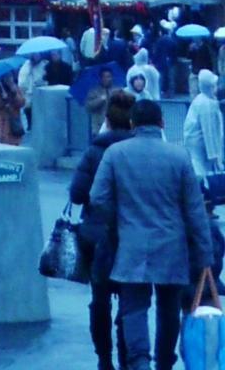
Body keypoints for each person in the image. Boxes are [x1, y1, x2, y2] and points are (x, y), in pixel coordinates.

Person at [90, 97, 213, 370]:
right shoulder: (179, 156)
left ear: (132, 123)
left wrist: (117, 219)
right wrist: (204, 253)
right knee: (168, 308)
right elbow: (195, 210)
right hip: (172, 244)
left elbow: (97, 197)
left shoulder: (115, 154)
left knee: (134, 307)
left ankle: (139, 361)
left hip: (130, 243)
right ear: (162, 123)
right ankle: (165, 362)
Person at [70, 88, 134, 370]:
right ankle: (127, 355)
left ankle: (104, 358)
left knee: (100, 300)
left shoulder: (95, 150)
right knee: (131, 300)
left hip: (97, 234)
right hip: (132, 233)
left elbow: (77, 194)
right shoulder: (138, 150)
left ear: (107, 119)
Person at [183, 69, 225, 184]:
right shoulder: (206, 105)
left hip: (197, 149)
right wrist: (215, 157)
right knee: (204, 177)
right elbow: (209, 133)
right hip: (201, 151)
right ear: (210, 87)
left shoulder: (201, 100)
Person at [0, 75, 26, 145]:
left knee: (15, 143)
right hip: (2, 122)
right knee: (4, 144)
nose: (9, 80)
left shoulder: (15, 88)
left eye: (10, 77)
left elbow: (21, 103)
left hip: (14, 121)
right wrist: (3, 99)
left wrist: (14, 93)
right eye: (7, 78)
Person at [86, 67, 118, 137]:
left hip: (115, 126)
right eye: (104, 77)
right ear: (100, 78)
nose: (106, 79)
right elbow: (89, 107)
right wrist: (100, 99)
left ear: (112, 78)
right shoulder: (93, 91)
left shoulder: (118, 90)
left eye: (108, 77)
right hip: (98, 127)